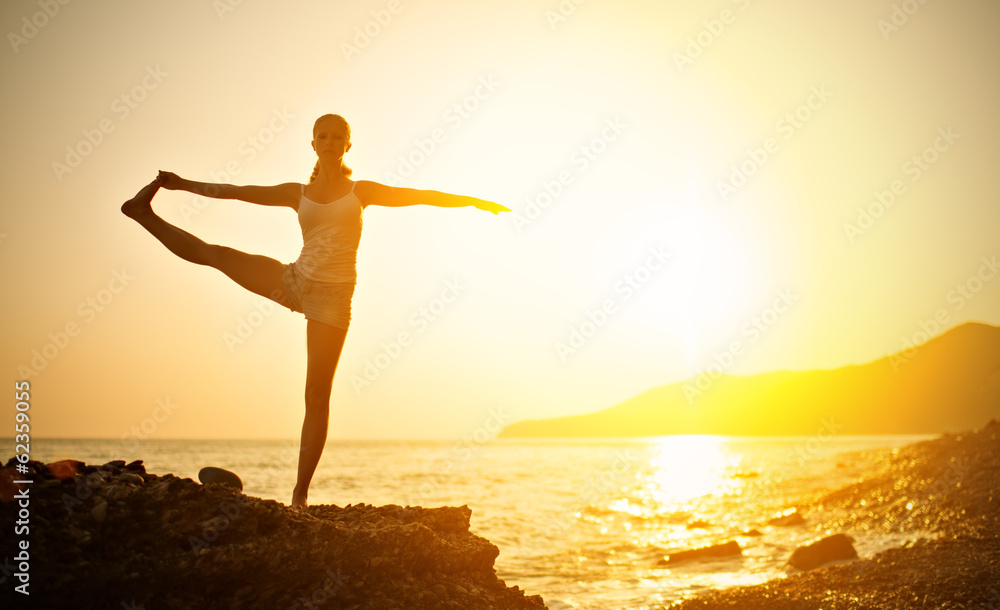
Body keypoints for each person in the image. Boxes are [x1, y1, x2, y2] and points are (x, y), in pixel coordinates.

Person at [121, 113, 509, 507]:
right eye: (322, 135)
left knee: (316, 394)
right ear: (313, 143)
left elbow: (419, 194)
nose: (329, 141)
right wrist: (183, 184)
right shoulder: (296, 192)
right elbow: (237, 190)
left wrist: (474, 202)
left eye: (337, 136)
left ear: (347, 145)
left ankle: (299, 495)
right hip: (293, 280)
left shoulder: (362, 190)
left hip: (333, 299)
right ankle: (141, 213)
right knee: (216, 255)